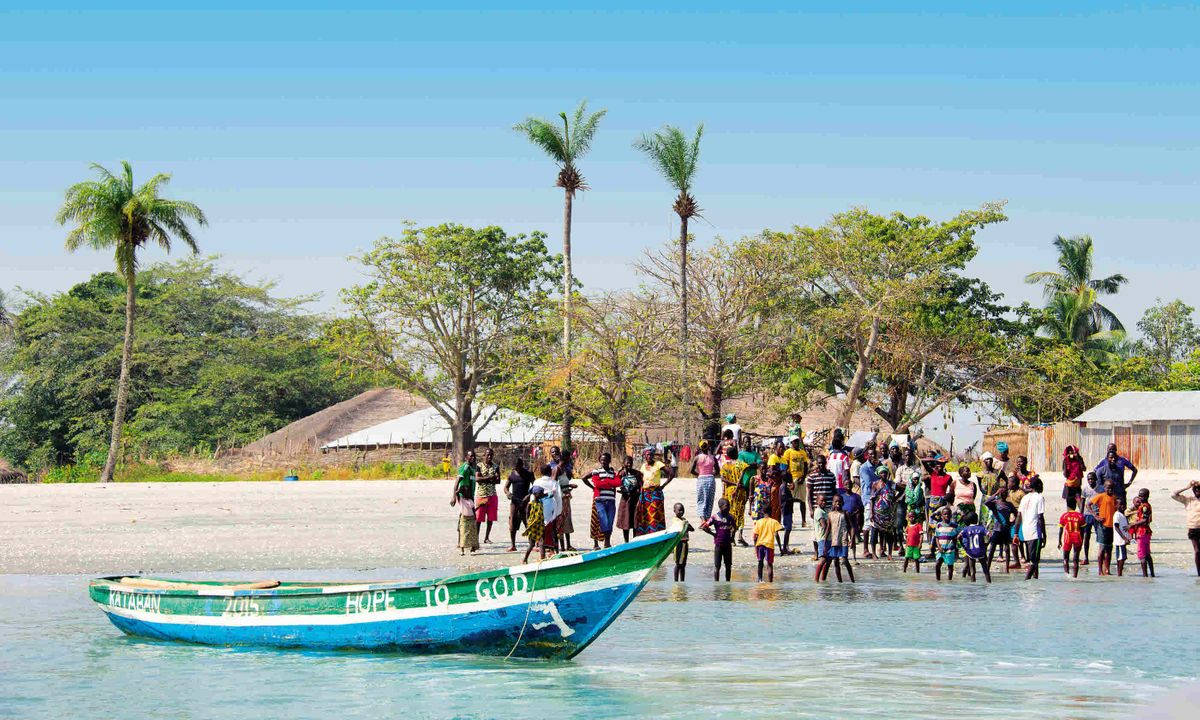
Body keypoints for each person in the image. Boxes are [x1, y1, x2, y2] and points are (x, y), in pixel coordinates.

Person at [582, 452, 622, 549]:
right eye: (602, 460)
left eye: (606, 460)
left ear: (609, 461)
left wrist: (605, 482)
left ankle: (607, 543)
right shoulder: (596, 471)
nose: (604, 462)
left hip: (611, 500)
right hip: (599, 500)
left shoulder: (613, 472)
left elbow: (618, 482)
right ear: (599, 461)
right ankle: (597, 544)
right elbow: (597, 484)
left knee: (609, 522)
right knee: (600, 521)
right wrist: (595, 487)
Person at [636, 446, 674, 536]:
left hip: (655, 493)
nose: (649, 456)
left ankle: (657, 535)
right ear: (644, 456)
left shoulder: (658, 464)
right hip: (645, 494)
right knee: (645, 515)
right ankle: (646, 535)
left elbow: (671, 474)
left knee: (656, 515)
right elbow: (641, 479)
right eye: (647, 455)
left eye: (650, 454)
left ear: (653, 455)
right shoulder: (643, 466)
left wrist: (663, 485)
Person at [719, 446, 750, 547]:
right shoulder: (742, 465)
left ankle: (731, 536)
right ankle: (739, 535)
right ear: (737, 454)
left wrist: (732, 483)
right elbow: (743, 476)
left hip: (729, 492)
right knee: (740, 514)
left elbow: (723, 479)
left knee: (731, 514)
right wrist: (737, 484)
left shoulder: (725, 466)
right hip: (739, 491)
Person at [807, 455, 837, 558]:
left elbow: (834, 491)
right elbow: (809, 495)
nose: (821, 465)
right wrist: (811, 509)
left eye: (823, 463)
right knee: (816, 532)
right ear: (816, 463)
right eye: (819, 463)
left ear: (826, 463)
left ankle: (828, 551)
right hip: (817, 508)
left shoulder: (831, 475)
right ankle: (817, 553)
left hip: (829, 507)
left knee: (829, 529)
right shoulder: (811, 476)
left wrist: (834, 507)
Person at [700, 497, 736, 581]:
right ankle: (716, 585)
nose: (729, 508)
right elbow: (704, 527)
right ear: (721, 507)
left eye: (729, 506)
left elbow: (735, 527)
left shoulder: (731, 517)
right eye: (727, 506)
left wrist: (732, 537)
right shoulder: (715, 517)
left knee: (728, 566)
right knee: (717, 566)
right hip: (718, 545)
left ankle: (728, 583)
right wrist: (713, 534)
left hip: (728, 545)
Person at [1087, 479, 1119, 575]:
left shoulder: (1114, 497)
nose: (1110, 490)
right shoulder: (1100, 496)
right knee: (1102, 548)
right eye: (1108, 487)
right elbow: (1088, 504)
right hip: (1102, 526)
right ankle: (1100, 570)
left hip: (1111, 526)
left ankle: (1107, 569)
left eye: (1112, 488)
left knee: (1109, 549)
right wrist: (1095, 516)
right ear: (1104, 488)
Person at [1017, 476, 1046, 580]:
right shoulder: (1039, 497)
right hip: (1035, 531)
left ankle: (1035, 579)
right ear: (1038, 486)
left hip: (1025, 531)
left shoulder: (1025, 497)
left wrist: (1016, 533)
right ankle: (1026, 580)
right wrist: (1044, 535)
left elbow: (1019, 516)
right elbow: (1040, 517)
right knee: (1035, 561)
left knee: (1032, 558)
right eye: (1041, 485)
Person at [548, 446, 576, 550]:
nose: (555, 454)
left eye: (556, 452)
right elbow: (553, 485)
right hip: (559, 498)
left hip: (566, 497)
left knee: (567, 521)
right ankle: (560, 547)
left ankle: (567, 545)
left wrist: (568, 487)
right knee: (559, 522)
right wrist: (568, 487)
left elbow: (567, 478)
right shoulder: (555, 468)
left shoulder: (565, 467)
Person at [503, 457, 534, 551]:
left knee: (528, 522)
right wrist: (508, 493)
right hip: (514, 502)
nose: (517, 469)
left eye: (519, 467)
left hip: (526, 502)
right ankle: (513, 545)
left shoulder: (528, 474)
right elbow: (506, 487)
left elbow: (535, 486)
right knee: (512, 523)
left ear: (522, 465)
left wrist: (529, 496)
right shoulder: (512, 474)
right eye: (515, 468)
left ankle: (531, 544)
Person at [983, 486, 1016, 573]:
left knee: (1007, 549)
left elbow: (1016, 514)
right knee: (992, 549)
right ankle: (988, 567)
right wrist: (996, 493)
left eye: (1005, 492)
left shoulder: (1009, 504)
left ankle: (1007, 569)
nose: (1004, 494)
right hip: (997, 529)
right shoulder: (995, 503)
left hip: (1006, 529)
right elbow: (986, 502)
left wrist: (1012, 523)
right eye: (1002, 492)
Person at [452, 451, 479, 555]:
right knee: (462, 520)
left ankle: (471, 545)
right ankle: (460, 543)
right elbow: (457, 481)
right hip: (463, 497)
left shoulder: (472, 469)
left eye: (473, 456)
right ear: (466, 457)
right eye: (470, 456)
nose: (472, 457)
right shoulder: (465, 467)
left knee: (471, 522)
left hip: (471, 497)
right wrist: (454, 496)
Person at [824, 494, 855, 582]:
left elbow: (852, 527)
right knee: (836, 561)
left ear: (843, 503)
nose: (838, 503)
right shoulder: (830, 514)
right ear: (833, 503)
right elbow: (828, 529)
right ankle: (840, 581)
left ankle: (853, 580)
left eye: (840, 501)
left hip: (843, 540)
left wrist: (852, 539)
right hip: (834, 541)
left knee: (845, 560)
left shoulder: (845, 513)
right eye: (836, 501)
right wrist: (825, 543)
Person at [1171, 481, 1200, 576]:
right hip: (1193, 528)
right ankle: (1199, 573)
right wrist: (1187, 487)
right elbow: (1173, 494)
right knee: (1197, 551)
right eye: (1196, 489)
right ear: (1193, 491)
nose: (1198, 491)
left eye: (1199, 489)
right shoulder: (1188, 500)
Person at [474, 448, 501, 544]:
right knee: (478, 518)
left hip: (492, 495)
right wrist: (490, 478)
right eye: (488, 455)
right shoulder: (479, 466)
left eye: (491, 455)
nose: (489, 457)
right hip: (481, 495)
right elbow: (477, 479)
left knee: (490, 518)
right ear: (484, 455)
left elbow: (498, 480)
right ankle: (476, 538)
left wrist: (485, 478)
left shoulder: (496, 466)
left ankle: (486, 537)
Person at [614, 456, 643, 543]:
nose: (629, 464)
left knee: (635, 521)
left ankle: (634, 540)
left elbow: (641, 486)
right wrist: (621, 471)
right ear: (624, 464)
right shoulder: (621, 474)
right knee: (625, 520)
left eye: (630, 462)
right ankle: (626, 541)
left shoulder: (637, 474)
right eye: (627, 462)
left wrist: (640, 496)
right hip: (625, 500)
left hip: (635, 499)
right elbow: (615, 482)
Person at [870, 466, 896, 560]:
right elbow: (872, 499)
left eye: (885, 472)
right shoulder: (875, 484)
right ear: (878, 474)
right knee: (874, 534)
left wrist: (896, 499)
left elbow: (901, 490)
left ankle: (889, 554)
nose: (884, 474)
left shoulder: (891, 484)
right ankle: (873, 553)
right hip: (877, 513)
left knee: (889, 534)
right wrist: (871, 513)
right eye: (882, 473)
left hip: (888, 514)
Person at [783, 437, 810, 527]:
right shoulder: (788, 452)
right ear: (791, 443)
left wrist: (803, 477)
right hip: (792, 478)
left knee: (802, 501)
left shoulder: (803, 452)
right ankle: (791, 520)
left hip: (801, 479)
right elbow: (786, 466)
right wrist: (788, 479)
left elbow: (806, 466)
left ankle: (804, 521)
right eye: (794, 442)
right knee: (790, 500)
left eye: (797, 442)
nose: (796, 443)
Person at [958, 507, 990, 583]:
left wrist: (964, 546)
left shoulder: (966, 529)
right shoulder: (981, 528)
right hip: (981, 551)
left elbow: (959, 537)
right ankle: (989, 583)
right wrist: (986, 544)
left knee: (972, 570)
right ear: (976, 519)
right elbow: (990, 535)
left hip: (970, 551)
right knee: (985, 570)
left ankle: (973, 585)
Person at [1128, 488, 1154, 578]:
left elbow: (1145, 520)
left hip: (1142, 532)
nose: (1139, 497)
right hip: (1146, 532)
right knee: (1147, 554)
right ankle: (1152, 575)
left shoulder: (1145, 507)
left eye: (1141, 496)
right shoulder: (1145, 505)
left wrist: (1132, 524)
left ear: (1146, 496)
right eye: (1139, 495)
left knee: (1142, 555)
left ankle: (1145, 576)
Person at [690, 440, 719, 522]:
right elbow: (717, 471)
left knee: (701, 499)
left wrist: (699, 474)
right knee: (709, 500)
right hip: (710, 479)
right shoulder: (713, 458)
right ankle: (707, 519)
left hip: (701, 479)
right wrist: (711, 473)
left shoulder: (697, 458)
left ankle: (703, 519)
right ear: (708, 446)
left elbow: (691, 470)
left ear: (700, 447)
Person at [753, 510, 784, 582]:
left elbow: (755, 537)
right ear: (771, 513)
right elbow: (776, 535)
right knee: (769, 564)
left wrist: (755, 547)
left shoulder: (758, 522)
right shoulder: (774, 522)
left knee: (760, 562)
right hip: (769, 545)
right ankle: (770, 582)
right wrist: (780, 548)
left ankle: (760, 580)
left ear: (763, 513)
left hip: (760, 544)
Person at [1058, 496, 1084, 578]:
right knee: (1076, 558)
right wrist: (1081, 539)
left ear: (1067, 505)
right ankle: (1075, 576)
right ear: (1075, 505)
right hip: (1077, 537)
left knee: (1066, 558)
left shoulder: (1064, 516)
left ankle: (1067, 575)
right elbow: (1082, 529)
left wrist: (1059, 540)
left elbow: (1061, 529)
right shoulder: (1080, 516)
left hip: (1067, 538)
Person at [1080, 471, 1102, 566]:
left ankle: (1100, 557)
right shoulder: (1085, 489)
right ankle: (1086, 557)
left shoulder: (1100, 489)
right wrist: (1080, 515)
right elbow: (1082, 502)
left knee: (1100, 536)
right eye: (1089, 479)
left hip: (1097, 515)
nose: (1090, 481)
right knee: (1086, 536)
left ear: (1096, 479)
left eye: (1092, 479)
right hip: (1087, 514)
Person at [838, 482, 864, 561]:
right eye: (846, 484)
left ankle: (854, 556)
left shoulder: (856, 496)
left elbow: (861, 508)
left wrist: (856, 513)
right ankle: (843, 556)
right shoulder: (841, 496)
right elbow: (838, 507)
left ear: (852, 485)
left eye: (849, 484)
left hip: (853, 519)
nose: (848, 486)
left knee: (853, 538)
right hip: (843, 519)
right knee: (844, 539)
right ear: (843, 486)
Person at [521, 485, 547, 563]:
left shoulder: (540, 502)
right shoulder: (530, 504)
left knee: (541, 542)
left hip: (540, 525)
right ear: (535, 494)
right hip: (532, 526)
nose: (542, 494)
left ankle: (543, 558)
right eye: (540, 493)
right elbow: (527, 515)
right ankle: (525, 559)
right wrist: (528, 524)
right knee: (531, 544)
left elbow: (547, 495)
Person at [932, 507, 958, 582]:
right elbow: (937, 537)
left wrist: (953, 548)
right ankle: (938, 580)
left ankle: (950, 580)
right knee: (937, 564)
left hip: (949, 549)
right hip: (940, 549)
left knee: (950, 566)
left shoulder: (954, 525)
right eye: (945, 514)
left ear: (951, 515)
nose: (947, 515)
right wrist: (939, 547)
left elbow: (955, 538)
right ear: (941, 515)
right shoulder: (939, 525)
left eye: (948, 514)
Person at [671, 502, 694, 581]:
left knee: (683, 564)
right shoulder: (675, 520)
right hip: (678, 543)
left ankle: (682, 581)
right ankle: (676, 581)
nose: (681, 512)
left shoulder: (684, 520)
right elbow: (676, 529)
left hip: (685, 543)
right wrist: (685, 525)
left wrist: (687, 525)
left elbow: (692, 529)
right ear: (674, 511)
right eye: (679, 510)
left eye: (682, 510)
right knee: (678, 564)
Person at [813, 494, 831, 578]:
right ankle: (816, 579)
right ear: (817, 501)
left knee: (829, 560)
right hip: (822, 538)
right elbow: (824, 526)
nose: (824, 502)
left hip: (828, 538)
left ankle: (823, 579)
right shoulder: (818, 511)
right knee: (823, 559)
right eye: (821, 500)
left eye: (825, 501)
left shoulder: (825, 511)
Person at [1112, 498, 1131, 576]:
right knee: (1121, 558)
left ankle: (1120, 573)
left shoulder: (1122, 515)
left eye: (1124, 504)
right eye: (1120, 504)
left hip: (1123, 541)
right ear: (1116, 505)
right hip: (1119, 541)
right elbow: (1116, 527)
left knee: (1123, 557)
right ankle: (1119, 574)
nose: (1123, 506)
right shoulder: (1117, 514)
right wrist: (1124, 538)